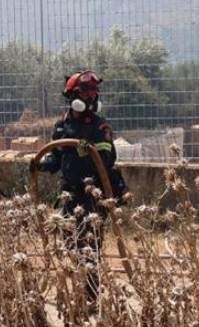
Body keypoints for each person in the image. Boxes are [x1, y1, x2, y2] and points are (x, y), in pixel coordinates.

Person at [29, 69, 128, 312]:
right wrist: (39, 165)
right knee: (70, 244)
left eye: (94, 92)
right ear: (73, 96)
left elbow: (107, 157)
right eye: (86, 92)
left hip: (92, 195)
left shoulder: (99, 126)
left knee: (89, 246)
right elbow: (57, 158)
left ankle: (92, 297)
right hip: (69, 194)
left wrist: (89, 151)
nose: (92, 96)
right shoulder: (62, 125)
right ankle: (76, 292)